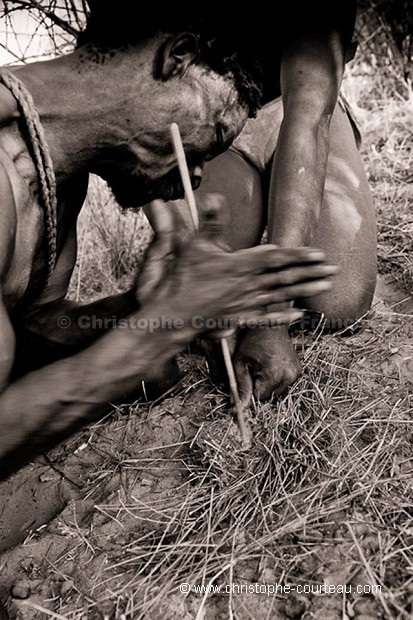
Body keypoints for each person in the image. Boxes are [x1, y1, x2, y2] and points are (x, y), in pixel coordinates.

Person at [0, 6, 338, 479]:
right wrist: (150, 337)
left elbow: (32, 326)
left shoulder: (55, 173)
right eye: (217, 131)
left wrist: (139, 308)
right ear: (177, 57)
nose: (198, 174)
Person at [175, 1, 377, 402]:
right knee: (216, 301)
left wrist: (272, 313)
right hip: (217, 127)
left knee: (339, 301)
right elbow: (145, 135)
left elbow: (308, 116)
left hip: (301, 113)